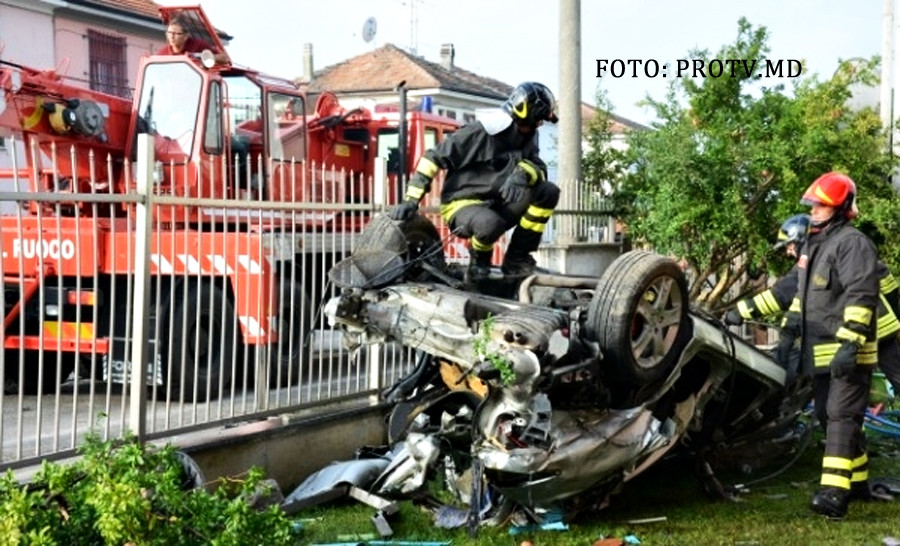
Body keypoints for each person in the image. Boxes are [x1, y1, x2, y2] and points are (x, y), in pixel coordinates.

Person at [388, 82, 560, 279]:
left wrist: (523, 172)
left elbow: (540, 168)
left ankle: (517, 259)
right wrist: (411, 199)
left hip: (498, 202)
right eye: (538, 120)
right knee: (489, 223)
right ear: (526, 115)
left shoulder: (526, 136)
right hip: (462, 206)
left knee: (548, 191)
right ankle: (479, 259)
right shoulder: (479, 132)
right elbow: (432, 158)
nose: (539, 125)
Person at [793, 172, 879, 519]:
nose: (813, 211)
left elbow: (861, 294)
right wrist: (789, 335)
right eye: (812, 205)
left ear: (841, 208)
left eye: (821, 206)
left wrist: (850, 344)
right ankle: (857, 481)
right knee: (827, 417)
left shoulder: (852, 243)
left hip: (848, 349)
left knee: (841, 416)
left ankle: (834, 494)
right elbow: (803, 297)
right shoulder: (816, 245)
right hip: (821, 350)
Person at [157, 11, 228, 64]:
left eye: (176, 33)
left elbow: (223, 58)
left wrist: (198, 56)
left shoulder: (198, 45)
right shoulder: (163, 54)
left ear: (185, 36)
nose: (171, 36)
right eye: (169, 33)